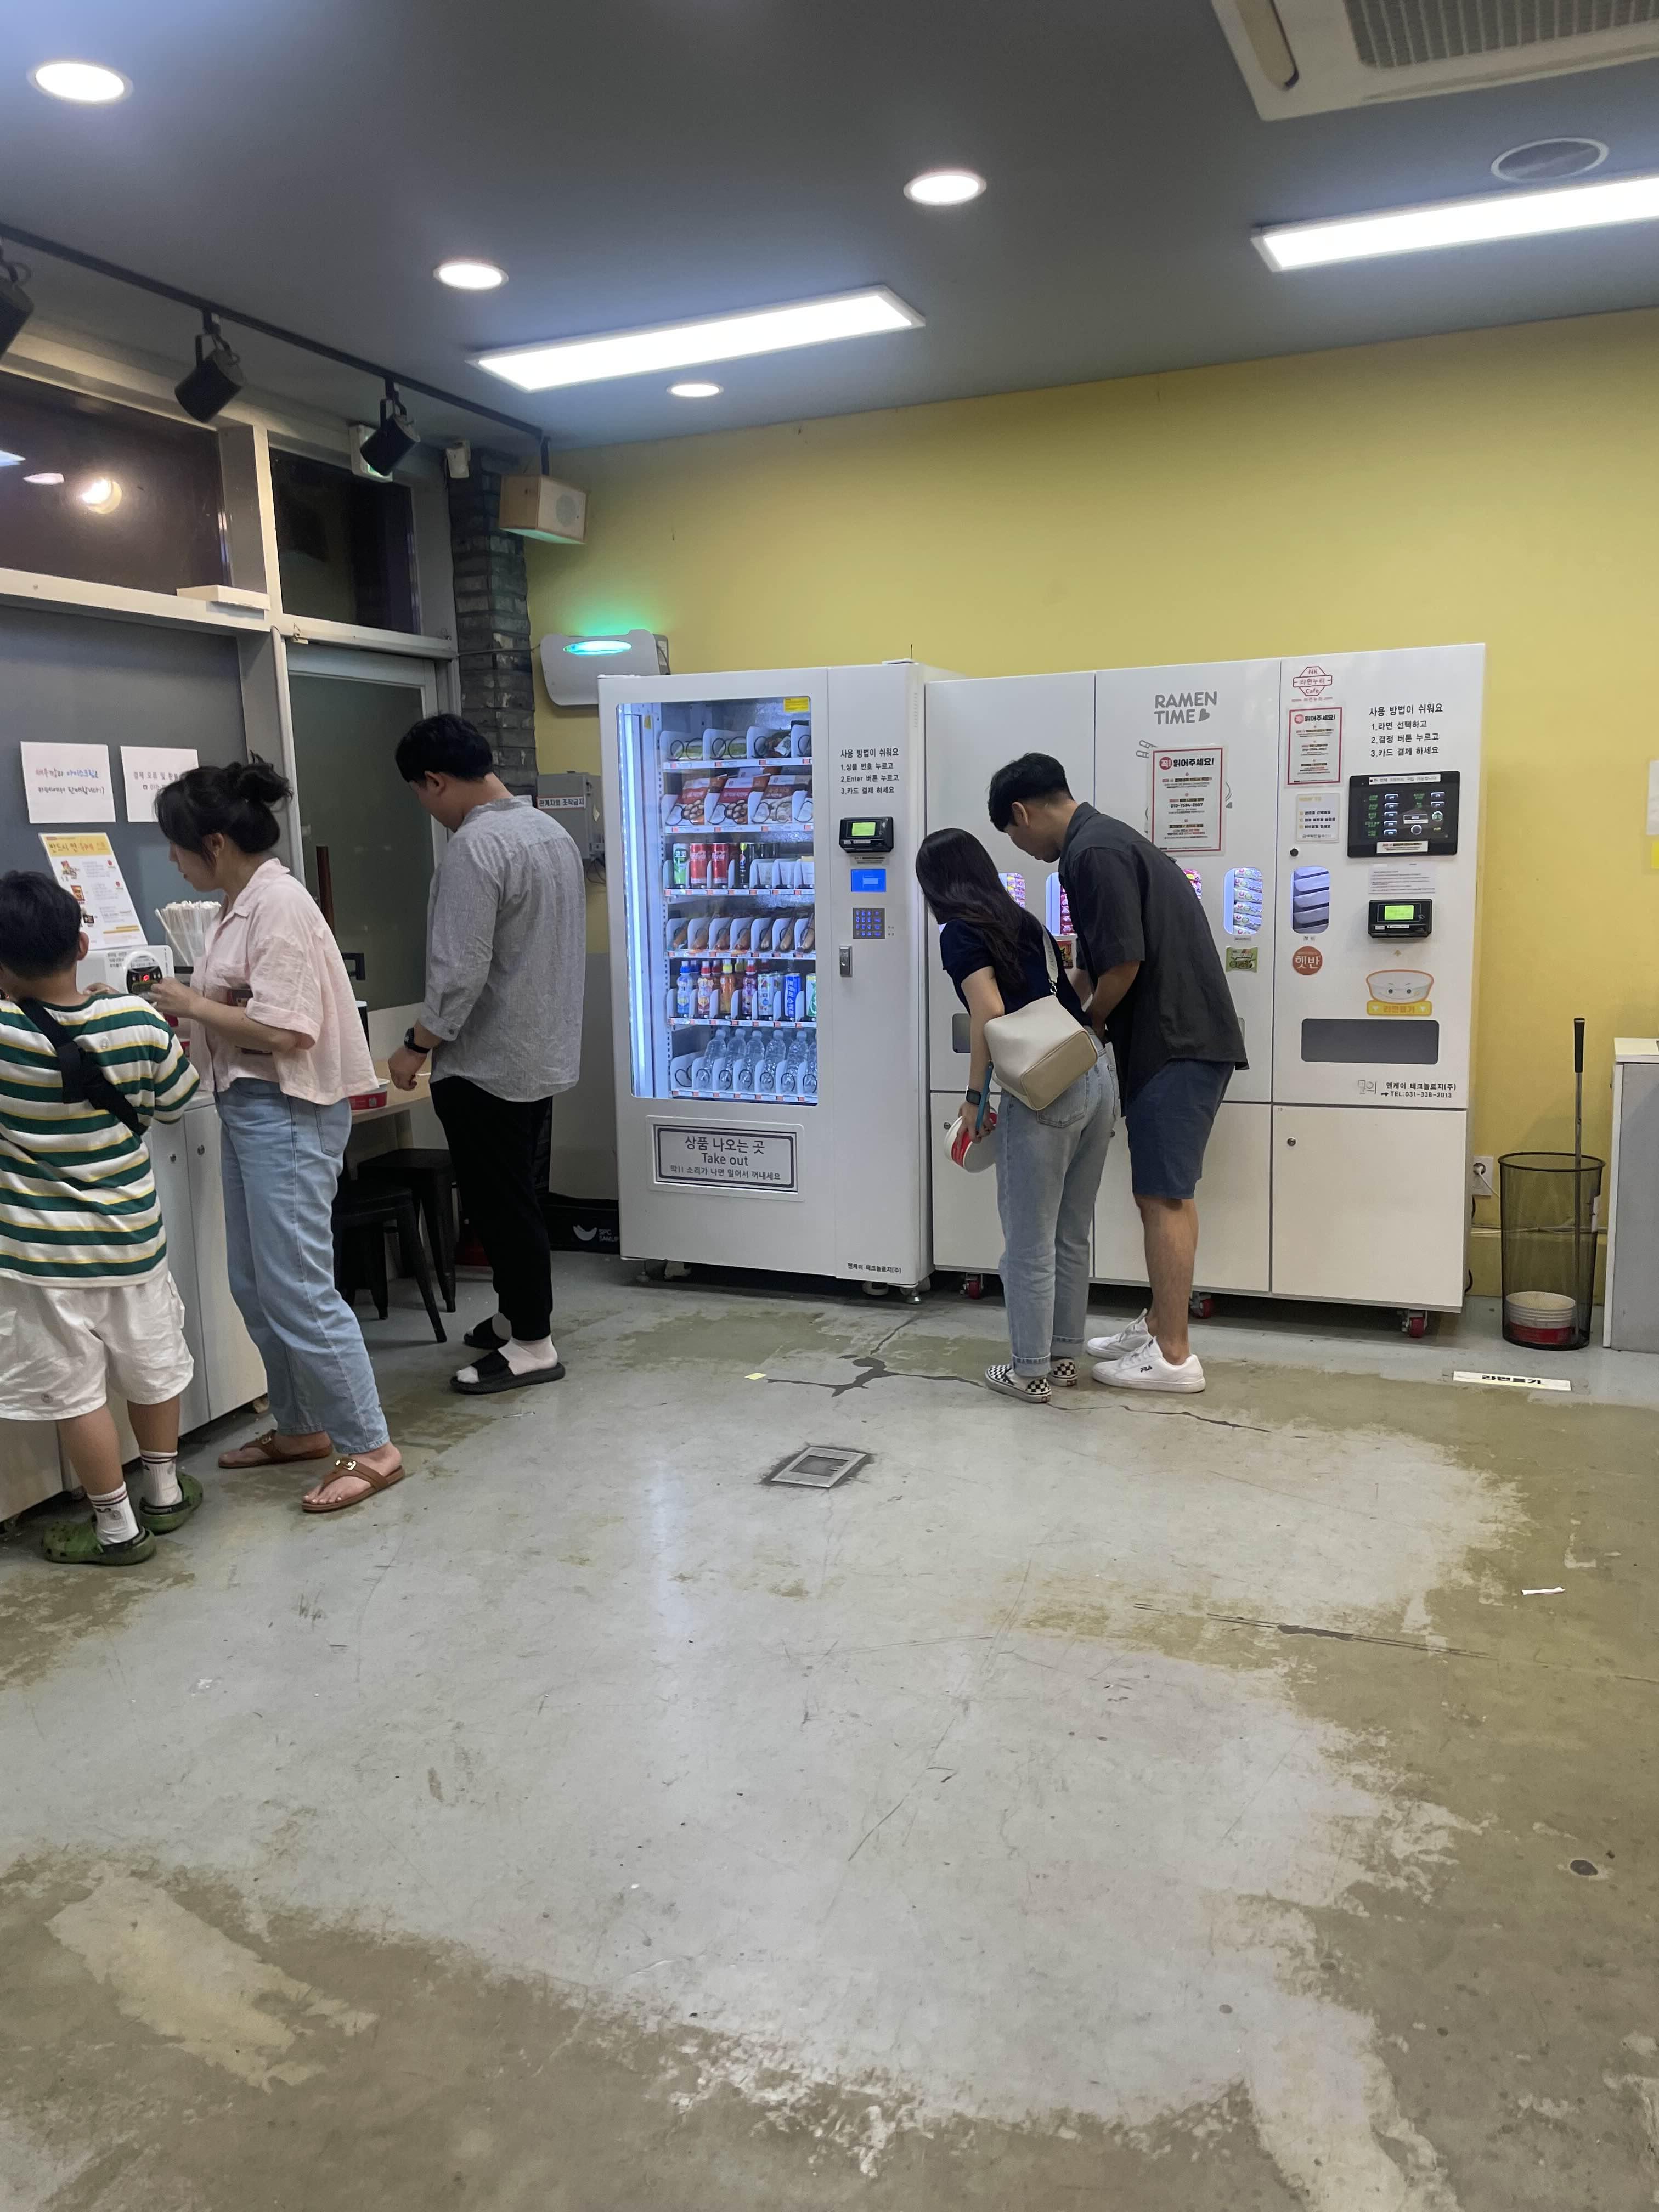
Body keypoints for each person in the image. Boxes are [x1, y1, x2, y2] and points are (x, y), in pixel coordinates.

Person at [149, 760, 404, 1513]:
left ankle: (372, 1447)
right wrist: (196, 1007)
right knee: (254, 1284)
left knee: (298, 1289)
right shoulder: (238, 906)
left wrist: (194, 1004)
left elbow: (288, 1031)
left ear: (215, 843)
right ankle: (299, 1426)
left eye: (178, 845)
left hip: (287, 1108)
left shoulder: (279, 905)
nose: (172, 859)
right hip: (247, 1103)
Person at [990, 754, 1246, 1396]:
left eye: (1015, 838)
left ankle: (1174, 1356)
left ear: (1022, 813)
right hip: (1181, 1038)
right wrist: (1056, 1020)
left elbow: (1123, 966)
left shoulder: (1091, 854)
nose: (1026, 853)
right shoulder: (1106, 841)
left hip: (1174, 1040)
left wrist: (1087, 1031)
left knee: (1164, 1197)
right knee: (1158, 1193)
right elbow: (1096, 967)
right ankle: (1158, 1324)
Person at [0, 872, 202, 1564]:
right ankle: (165, 1494)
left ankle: (115, 1529)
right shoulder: (137, 1020)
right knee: (153, 1369)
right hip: (132, 1243)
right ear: (83, 946)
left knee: (76, 1394)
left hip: (42, 1261)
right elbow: (175, 1102)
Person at [387, 715, 584, 1396]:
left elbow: (459, 972)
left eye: (420, 793)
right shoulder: (549, 832)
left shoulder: (476, 847)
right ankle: (516, 1316)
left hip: (487, 1065)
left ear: (435, 780)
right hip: (540, 1053)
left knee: (502, 1207)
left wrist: (417, 1045)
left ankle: (532, 1345)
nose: (427, 807)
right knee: (521, 1196)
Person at [916, 827, 1114, 1406]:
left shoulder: (959, 931)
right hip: (1093, 1072)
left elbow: (990, 1010)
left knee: (1028, 1242)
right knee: (1070, 1233)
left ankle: (1028, 1372)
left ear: (935, 884)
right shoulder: (1023, 920)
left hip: (1044, 1089)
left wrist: (975, 1097)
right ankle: (1062, 1360)